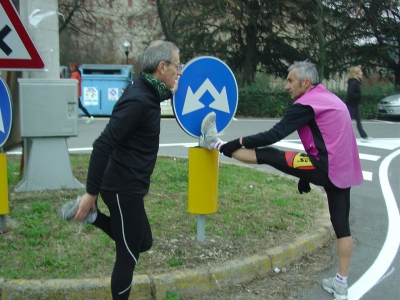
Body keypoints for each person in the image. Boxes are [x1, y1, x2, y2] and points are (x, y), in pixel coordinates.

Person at [199, 60, 363, 300]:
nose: (287, 86)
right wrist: (304, 174)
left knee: (270, 154)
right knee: (342, 227)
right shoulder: (329, 98)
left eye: (290, 81)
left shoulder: (306, 103)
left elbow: (273, 134)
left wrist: (238, 141)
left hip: (323, 167)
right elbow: (328, 138)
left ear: (306, 83)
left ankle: (214, 143)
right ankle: (341, 283)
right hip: (342, 169)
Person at [59, 40, 182, 300]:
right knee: (128, 257)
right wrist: (90, 193)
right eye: (177, 66)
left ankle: (93, 217)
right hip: (121, 188)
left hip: (128, 186)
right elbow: (102, 145)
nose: (178, 71)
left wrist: (172, 91)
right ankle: (91, 211)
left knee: (143, 242)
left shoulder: (147, 91)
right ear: (162, 67)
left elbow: (155, 94)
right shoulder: (138, 99)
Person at [345, 66, 371, 142]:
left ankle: (364, 136)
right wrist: (358, 96)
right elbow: (350, 93)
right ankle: (342, 136)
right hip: (351, 105)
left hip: (354, 105)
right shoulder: (354, 82)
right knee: (347, 122)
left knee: (358, 120)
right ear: (356, 73)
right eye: (360, 72)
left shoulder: (355, 81)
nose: (362, 73)